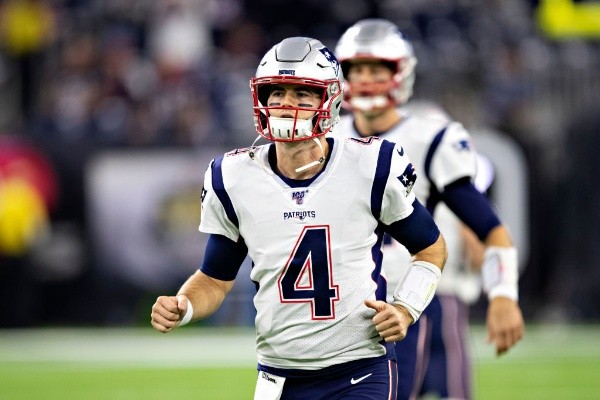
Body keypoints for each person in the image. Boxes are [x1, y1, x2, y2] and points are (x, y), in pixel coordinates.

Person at [151, 36, 448, 400]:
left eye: (302, 94)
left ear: (330, 100)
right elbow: (214, 279)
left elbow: (431, 249)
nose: (285, 104)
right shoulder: (233, 176)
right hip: (277, 376)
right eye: (276, 93)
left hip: (359, 369)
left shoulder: (370, 166)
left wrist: (405, 309)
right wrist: (184, 305)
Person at [332, 19, 525, 400]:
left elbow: (490, 227)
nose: (366, 79)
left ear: (400, 74)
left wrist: (503, 294)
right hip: (347, 306)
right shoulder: (328, 138)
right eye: (357, 69)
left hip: (417, 296)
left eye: (376, 69)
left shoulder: (430, 137)